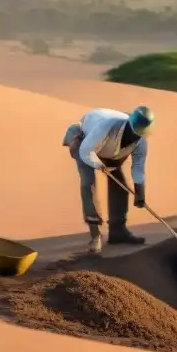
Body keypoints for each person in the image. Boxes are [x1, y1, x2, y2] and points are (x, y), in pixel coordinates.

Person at [62, 106, 154, 253]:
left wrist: (139, 191)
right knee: (88, 184)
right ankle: (95, 235)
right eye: (135, 132)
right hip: (85, 142)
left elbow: (138, 166)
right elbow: (86, 151)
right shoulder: (107, 126)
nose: (137, 136)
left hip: (112, 151)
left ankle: (118, 231)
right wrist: (99, 165)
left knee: (121, 186)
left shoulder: (141, 141)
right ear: (128, 126)